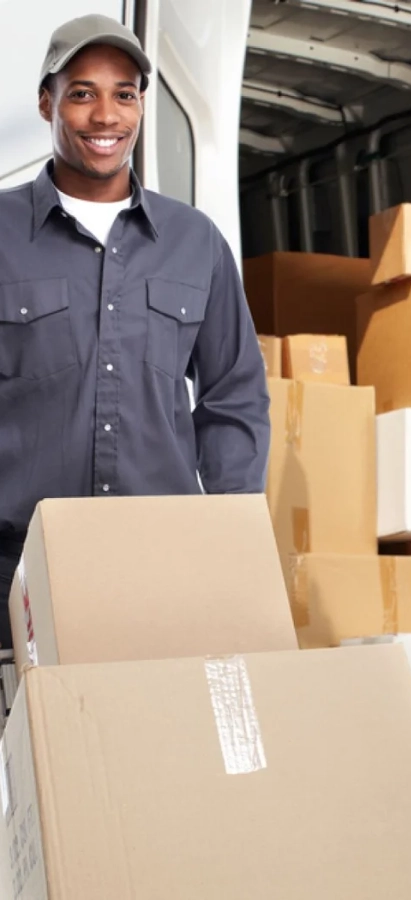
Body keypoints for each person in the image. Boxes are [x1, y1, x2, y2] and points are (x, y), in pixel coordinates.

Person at [0, 15, 270, 648]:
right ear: (47, 102)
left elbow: (235, 393)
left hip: (158, 563)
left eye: (124, 94)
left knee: (145, 738)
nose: (105, 117)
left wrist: (230, 529)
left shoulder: (194, 240)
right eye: (82, 92)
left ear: (141, 105)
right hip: (14, 565)